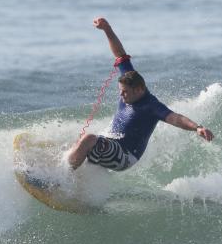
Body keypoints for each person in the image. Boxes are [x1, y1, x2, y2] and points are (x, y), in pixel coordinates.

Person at [68, 17, 214, 171]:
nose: (122, 96)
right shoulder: (130, 79)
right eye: (120, 91)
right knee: (80, 142)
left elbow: (176, 118)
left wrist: (197, 127)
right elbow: (120, 55)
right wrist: (107, 29)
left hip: (125, 155)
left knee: (89, 139)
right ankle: (64, 172)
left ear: (139, 89)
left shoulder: (151, 106)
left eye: (125, 92)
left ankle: (63, 178)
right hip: (110, 142)